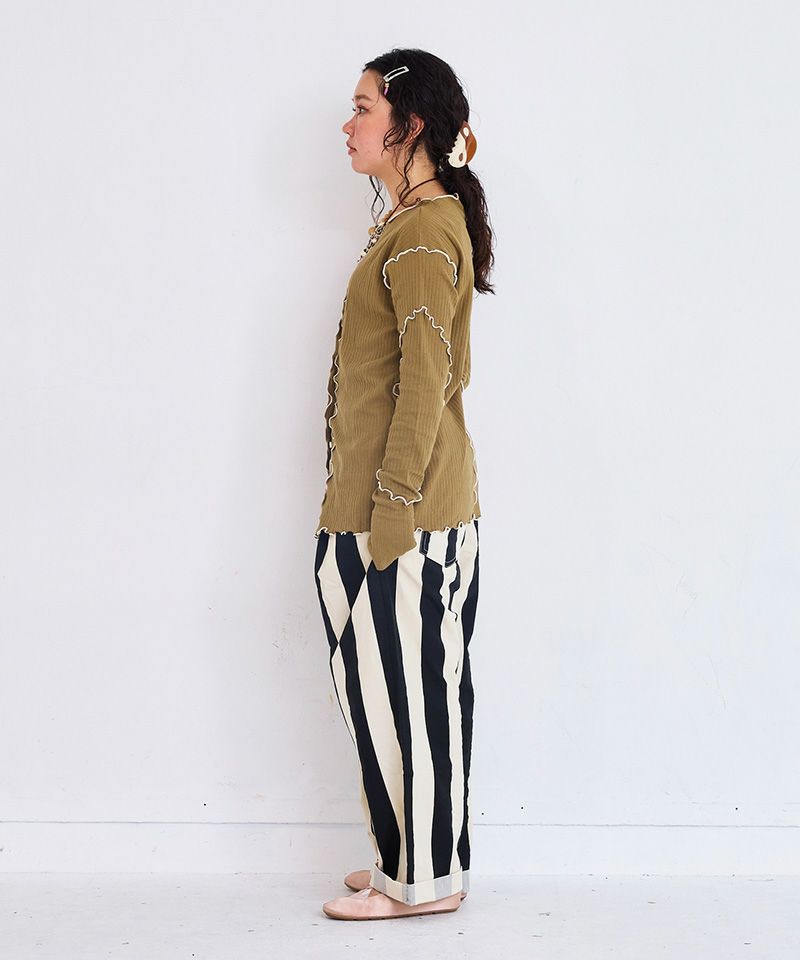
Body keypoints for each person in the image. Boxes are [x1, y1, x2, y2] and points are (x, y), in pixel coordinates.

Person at [312, 47, 495, 921]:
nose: (347, 125)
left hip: (404, 518)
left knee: (411, 699)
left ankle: (420, 884)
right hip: (396, 511)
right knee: (397, 694)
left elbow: (425, 385)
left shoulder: (421, 234)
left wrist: (390, 513)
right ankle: (409, 859)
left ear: (409, 126)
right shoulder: (413, 223)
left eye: (362, 108)